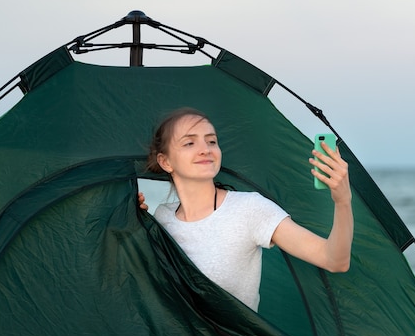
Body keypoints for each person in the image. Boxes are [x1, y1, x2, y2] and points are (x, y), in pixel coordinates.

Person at [139, 107, 353, 311]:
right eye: (189, 143)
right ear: (165, 162)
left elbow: (334, 260)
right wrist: (133, 224)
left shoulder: (249, 209)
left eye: (212, 141)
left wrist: (343, 200)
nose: (206, 149)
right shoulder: (162, 217)